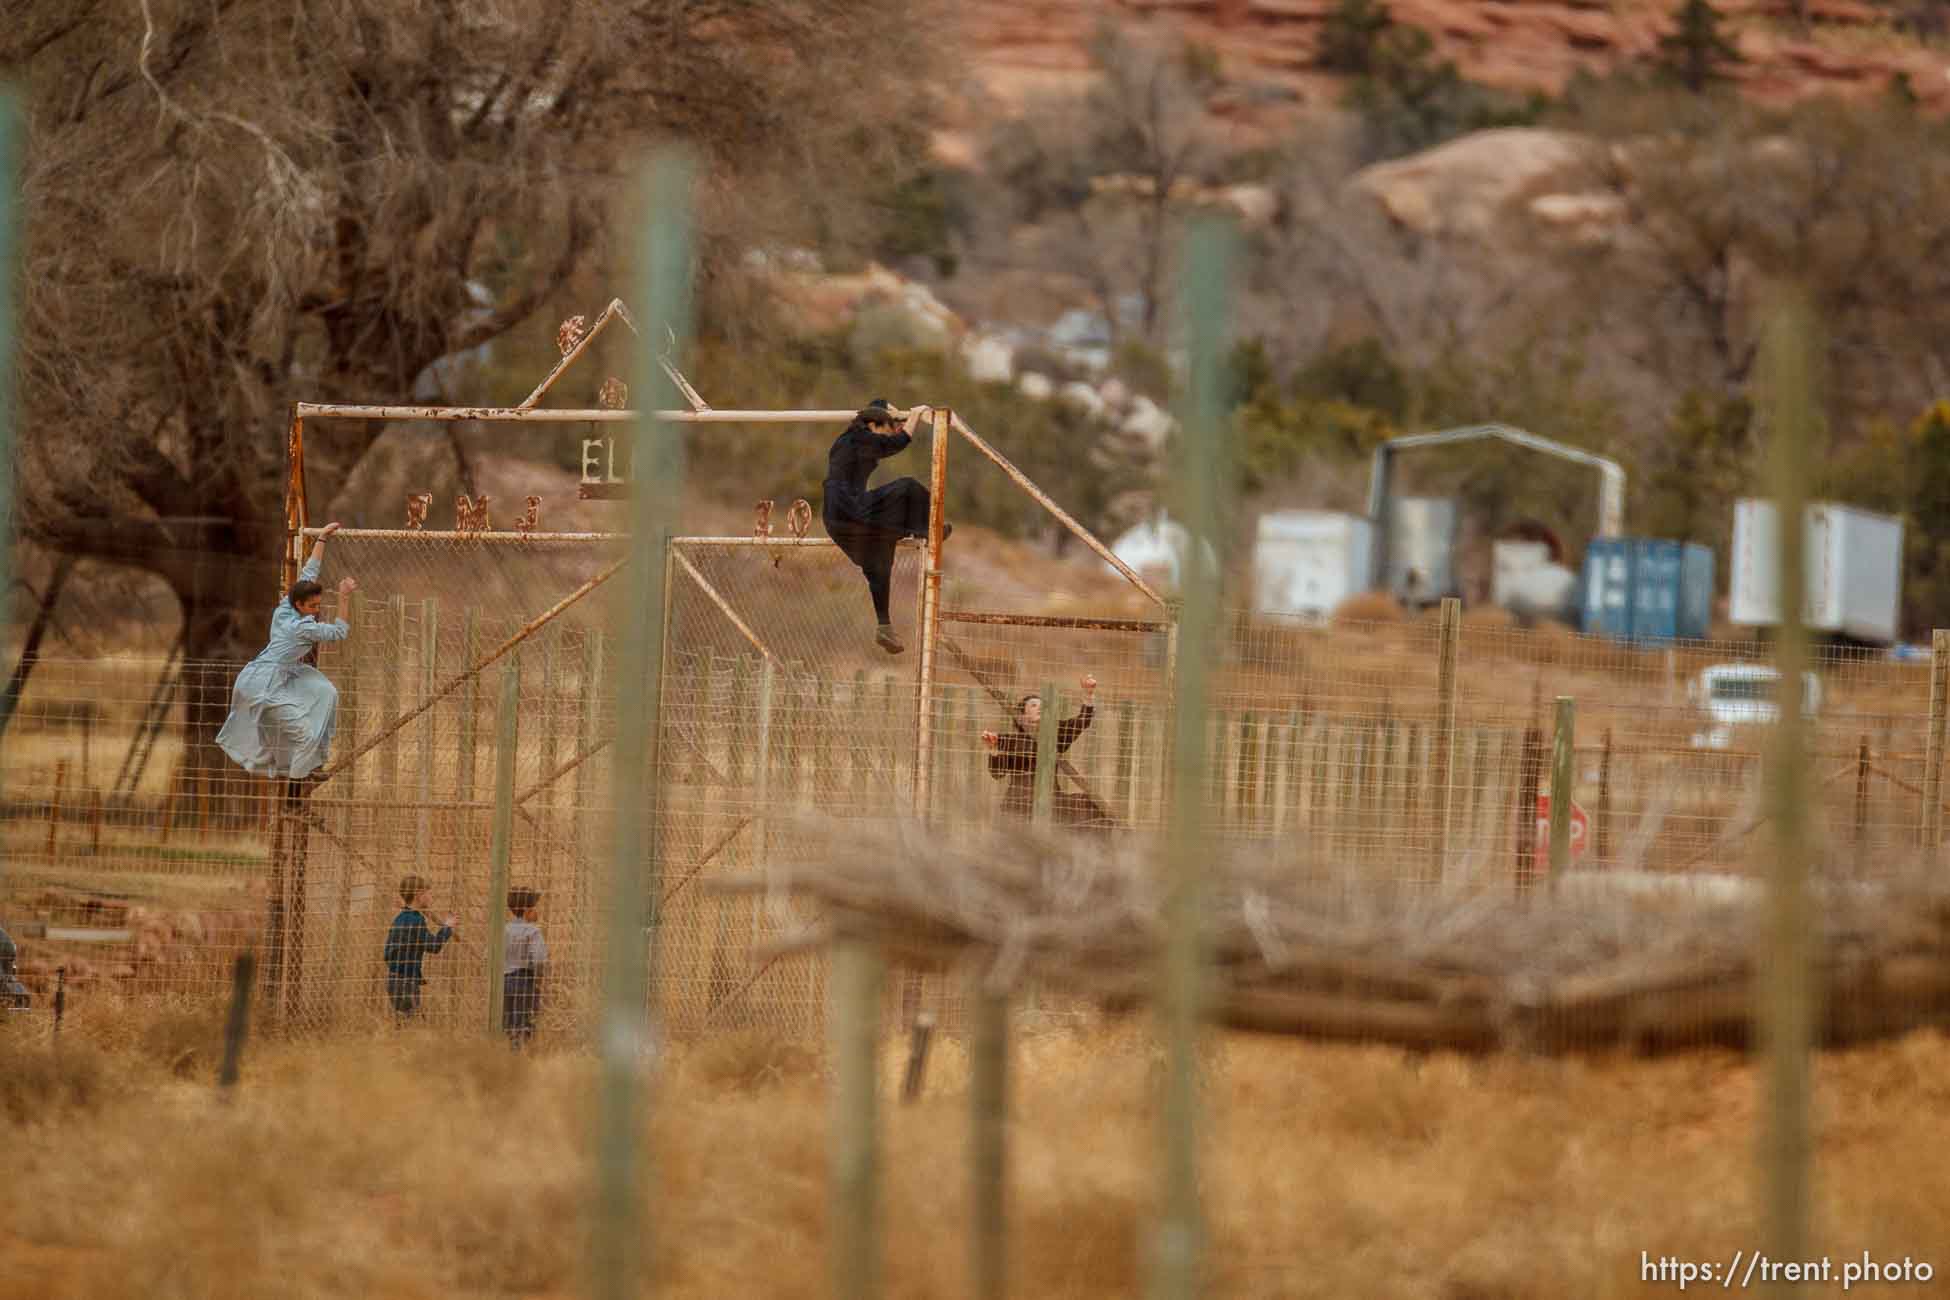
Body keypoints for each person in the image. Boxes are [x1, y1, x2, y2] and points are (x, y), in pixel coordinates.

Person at [216, 522, 358, 795]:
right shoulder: (302, 627)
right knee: (304, 736)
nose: (317, 611)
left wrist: (322, 539)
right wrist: (343, 597)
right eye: (313, 607)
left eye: (319, 605)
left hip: (275, 673)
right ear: (300, 606)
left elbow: (308, 572)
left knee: (326, 691)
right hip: (265, 684)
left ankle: (309, 766)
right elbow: (340, 632)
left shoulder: (285, 608)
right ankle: (295, 791)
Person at [822, 398, 949, 656]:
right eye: (885, 427)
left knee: (878, 561)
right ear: (871, 424)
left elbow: (879, 409)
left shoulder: (851, 440)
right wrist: (914, 415)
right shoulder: (858, 438)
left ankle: (884, 626)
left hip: (836, 519)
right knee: (908, 487)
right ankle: (931, 528)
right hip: (850, 510)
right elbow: (896, 443)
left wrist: (893, 413)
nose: (890, 431)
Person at [981, 674, 1113, 829]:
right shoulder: (1009, 740)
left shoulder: (1057, 734)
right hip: (1020, 803)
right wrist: (994, 749)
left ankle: (1086, 849)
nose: (1040, 708)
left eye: (1043, 705)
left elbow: (1082, 720)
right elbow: (997, 773)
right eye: (1033, 705)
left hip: (1052, 801)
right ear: (1022, 716)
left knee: (1090, 804)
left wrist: (1088, 694)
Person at [381, 875, 456, 1020]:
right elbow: (434, 946)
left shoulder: (401, 918)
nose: (431, 896)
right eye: (429, 892)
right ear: (419, 895)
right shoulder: (416, 920)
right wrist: (447, 927)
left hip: (393, 980)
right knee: (413, 1027)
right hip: (406, 983)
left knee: (406, 1025)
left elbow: (388, 953)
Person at [502, 886, 548, 1048]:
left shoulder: (503, 930)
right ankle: (519, 1060)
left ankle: (503, 1057)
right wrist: (538, 980)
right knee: (524, 1026)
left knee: (506, 1025)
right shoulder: (533, 931)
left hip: (503, 983)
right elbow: (539, 959)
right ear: (527, 910)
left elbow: (488, 956)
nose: (537, 911)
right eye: (535, 907)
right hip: (524, 982)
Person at [0, 922, 29, 1011]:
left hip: (4, 948)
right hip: (10, 947)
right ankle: (19, 1001)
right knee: (8, 977)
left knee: (3, 978)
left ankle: (10, 1002)